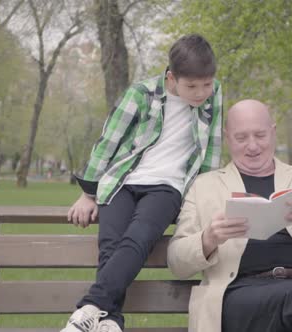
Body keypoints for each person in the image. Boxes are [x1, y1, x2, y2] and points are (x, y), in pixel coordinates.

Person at [61, 34, 223, 332]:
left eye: (207, 84)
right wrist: (88, 194)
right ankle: (110, 322)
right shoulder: (141, 94)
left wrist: (205, 196)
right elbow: (107, 143)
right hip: (123, 179)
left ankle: (88, 307)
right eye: (192, 86)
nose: (201, 93)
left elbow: (211, 150)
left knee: (137, 238)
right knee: (110, 246)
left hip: (168, 186)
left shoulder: (215, 94)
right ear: (172, 77)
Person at [167, 99, 292, 332]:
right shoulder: (204, 186)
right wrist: (208, 239)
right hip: (239, 298)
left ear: (273, 132)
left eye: (260, 135)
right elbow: (176, 261)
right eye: (241, 138)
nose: (252, 146)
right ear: (227, 138)